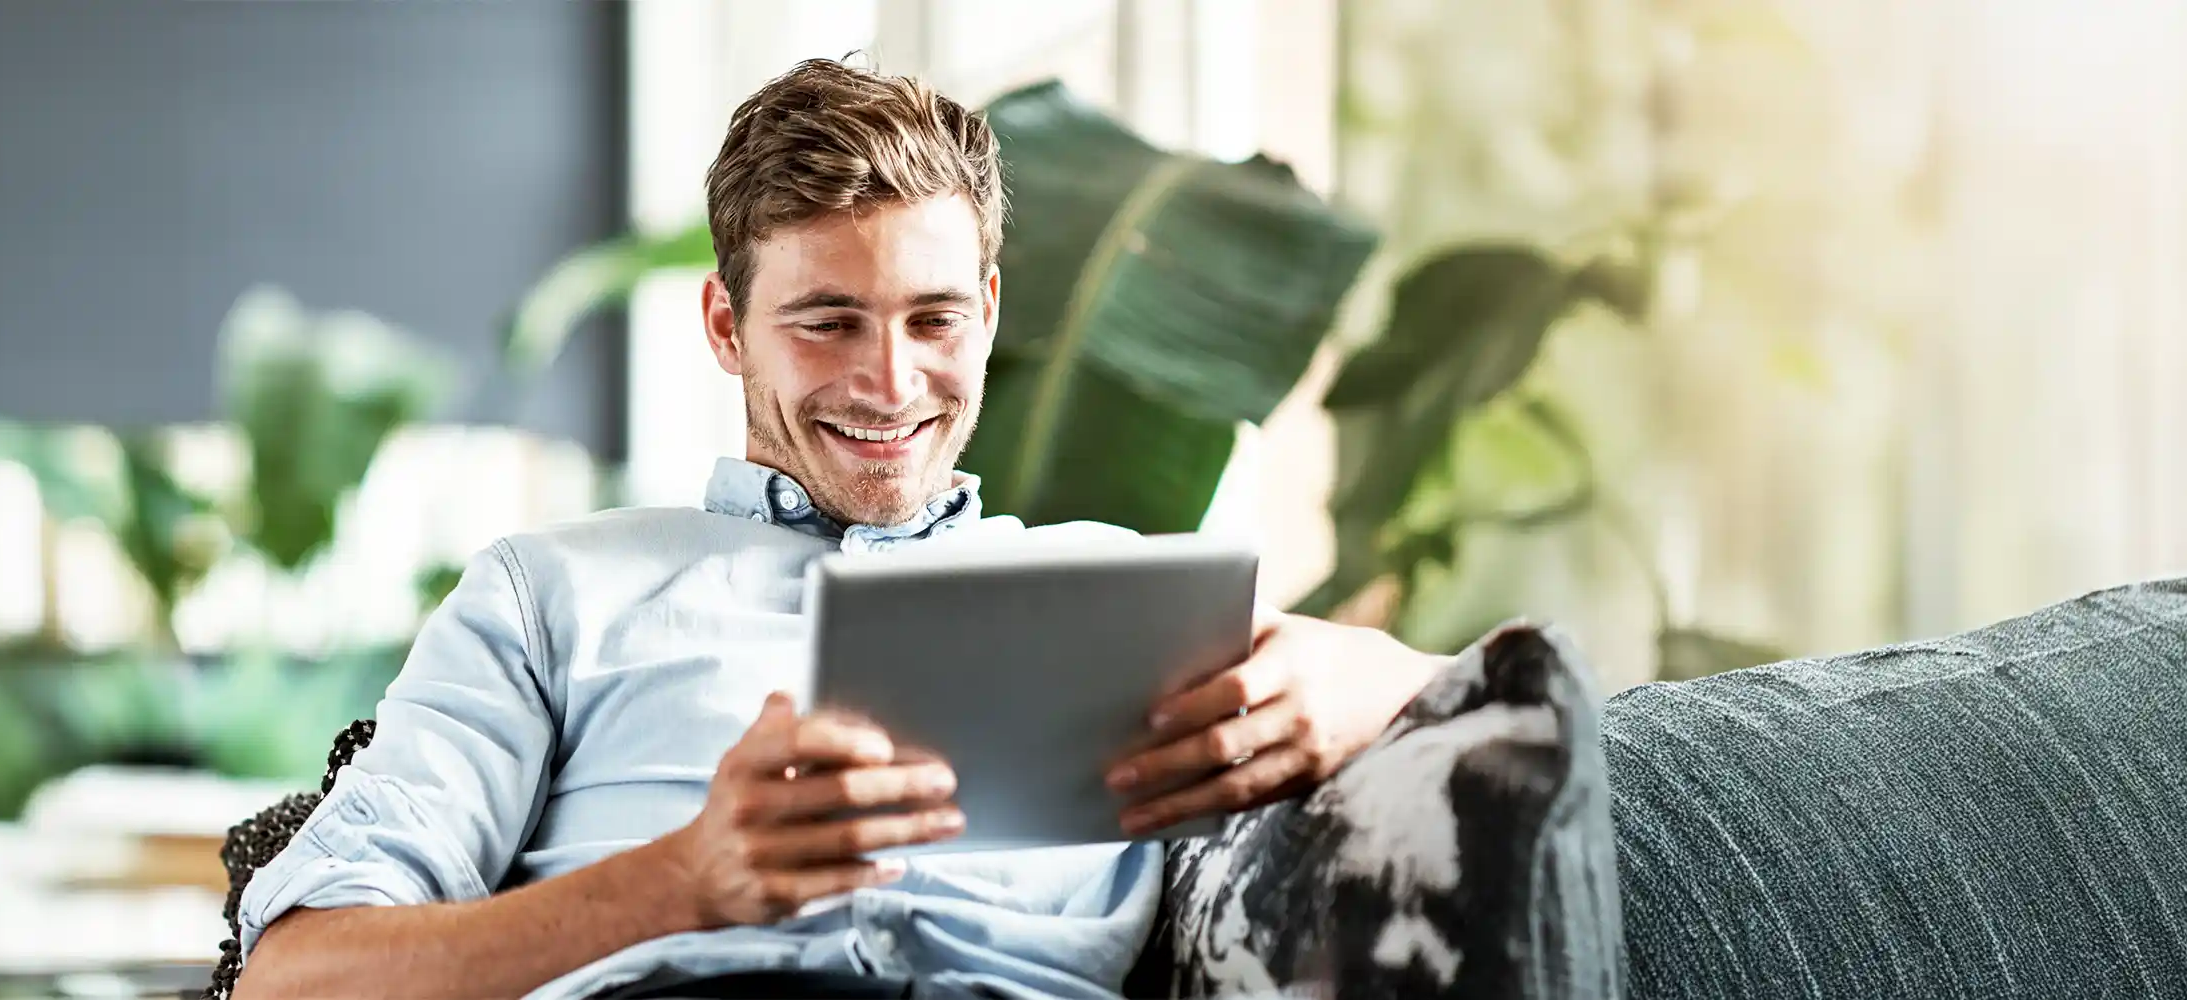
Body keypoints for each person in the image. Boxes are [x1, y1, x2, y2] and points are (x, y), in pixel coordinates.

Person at [236, 58, 1448, 1000]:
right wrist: (677, 881)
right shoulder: (550, 593)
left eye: (932, 319)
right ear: (726, 326)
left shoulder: (1128, 596)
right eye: (826, 322)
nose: (889, 382)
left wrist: (1367, 678)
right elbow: (301, 976)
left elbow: (1518, 700)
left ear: (986, 310)